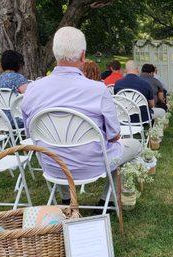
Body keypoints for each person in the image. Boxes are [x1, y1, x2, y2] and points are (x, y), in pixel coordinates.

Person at [22, 26, 137, 211]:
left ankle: (67, 199)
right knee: (134, 146)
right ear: (83, 56)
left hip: (53, 165)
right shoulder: (98, 90)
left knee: (53, 145)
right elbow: (114, 136)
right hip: (93, 165)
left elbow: (31, 134)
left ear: (55, 53)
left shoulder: (33, 89)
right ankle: (105, 202)